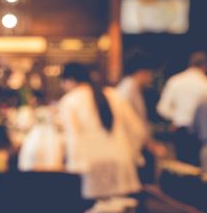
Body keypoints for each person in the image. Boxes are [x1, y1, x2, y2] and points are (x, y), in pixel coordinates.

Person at [59, 63, 147, 199]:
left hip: (91, 165)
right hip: (121, 161)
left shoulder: (70, 100)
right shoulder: (114, 94)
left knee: (98, 209)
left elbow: (73, 138)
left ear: (70, 80)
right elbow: (137, 130)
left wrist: (74, 166)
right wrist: (133, 154)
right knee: (120, 207)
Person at [157, 52, 207, 164]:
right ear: (205, 66)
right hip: (201, 133)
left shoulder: (175, 81)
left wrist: (176, 117)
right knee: (199, 166)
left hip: (180, 129)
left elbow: (162, 108)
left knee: (182, 165)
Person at [117, 53, 166, 182]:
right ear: (142, 72)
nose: (151, 77)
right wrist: (151, 145)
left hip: (133, 148)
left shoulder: (131, 88)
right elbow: (132, 124)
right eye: (150, 72)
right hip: (130, 149)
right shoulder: (128, 90)